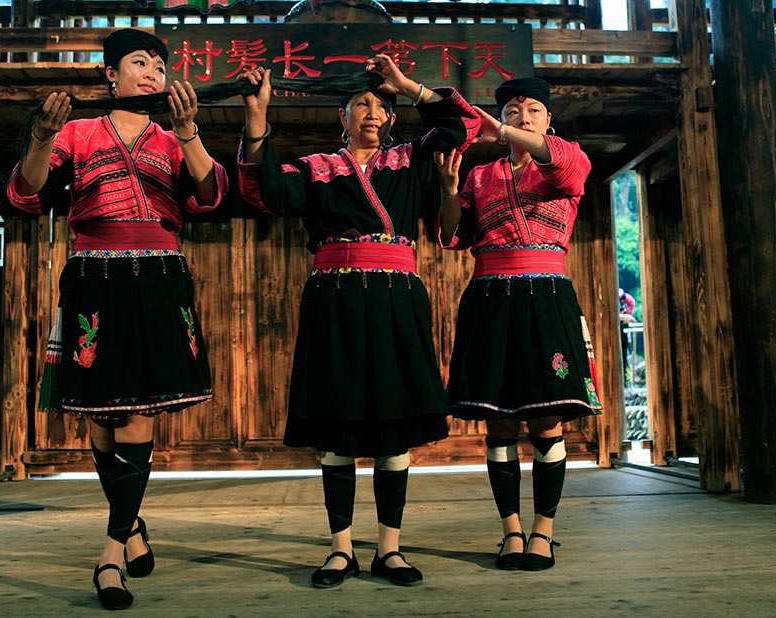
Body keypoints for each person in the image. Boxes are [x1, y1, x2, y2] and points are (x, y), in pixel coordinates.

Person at [7, 29, 228, 610]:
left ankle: (109, 555)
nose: (152, 73)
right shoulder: (77, 133)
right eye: (139, 63)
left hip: (157, 277)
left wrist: (189, 132)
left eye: (159, 65)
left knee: (137, 411)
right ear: (111, 74)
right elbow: (28, 192)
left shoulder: (172, 137)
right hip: (95, 277)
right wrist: (41, 136)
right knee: (103, 418)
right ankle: (131, 527)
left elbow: (209, 195)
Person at [237, 57, 479, 588]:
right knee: (338, 429)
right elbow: (268, 192)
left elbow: (465, 124)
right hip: (335, 301)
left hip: (396, 299)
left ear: (392, 118)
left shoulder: (412, 159)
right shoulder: (315, 167)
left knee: (394, 431)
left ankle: (390, 549)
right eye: (361, 103)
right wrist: (257, 120)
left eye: (382, 105)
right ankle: (341, 549)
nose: (372, 111)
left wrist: (408, 86)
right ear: (340, 117)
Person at [435, 77, 602, 571]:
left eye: (532, 111)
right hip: (490, 298)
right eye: (511, 111)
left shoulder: (568, 158)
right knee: (500, 421)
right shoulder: (480, 175)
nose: (523, 118)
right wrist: (449, 191)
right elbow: (454, 235)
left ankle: (543, 530)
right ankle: (510, 530)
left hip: (546, 296)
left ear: (548, 120)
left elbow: (561, 167)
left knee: (546, 419)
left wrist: (501, 132)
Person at [618, 288, 636, 375]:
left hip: (623, 327)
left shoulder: (625, 298)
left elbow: (632, 303)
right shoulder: (623, 297)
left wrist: (627, 314)